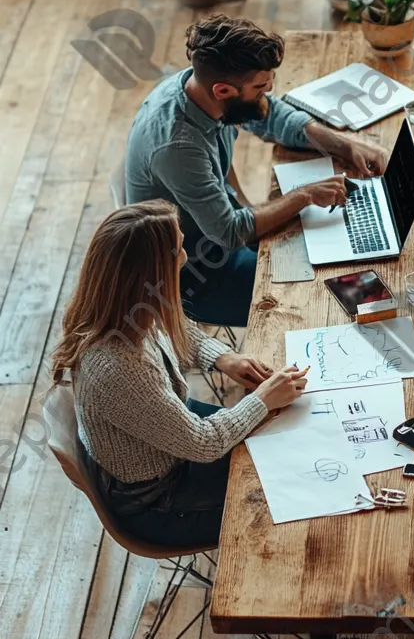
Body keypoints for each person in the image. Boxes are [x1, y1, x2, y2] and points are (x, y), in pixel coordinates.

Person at [51, 201, 308, 547]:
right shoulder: (117, 369)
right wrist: (262, 399)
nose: (186, 258)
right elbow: (203, 444)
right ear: (147, 275)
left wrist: (223, 358)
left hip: (174, 433)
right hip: (160, 499)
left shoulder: (119, 307)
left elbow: (172, 326)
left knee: (292, 442)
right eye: (178, 251)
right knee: (297, 486)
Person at [125, 15, 389, 327]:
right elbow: (229, 232)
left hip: (220, 233)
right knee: (325, 294)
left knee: (346, 262)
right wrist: (304, 194)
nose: (266, 95)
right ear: (223, 91)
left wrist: (345, 146)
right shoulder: (177, 147)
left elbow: (272, 116)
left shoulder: (201, 86)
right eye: (260, 88)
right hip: (192, 276)